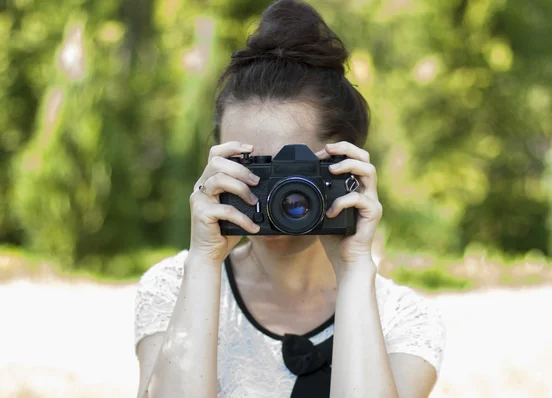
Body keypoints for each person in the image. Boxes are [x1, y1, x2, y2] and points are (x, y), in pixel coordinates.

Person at [133, 1, 445, 397]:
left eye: (293, 173)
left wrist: (353, 272)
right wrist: (204, 260)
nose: (274, 194)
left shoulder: (403, 318)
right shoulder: (173, 287)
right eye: (251, 167)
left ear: (346, 168)